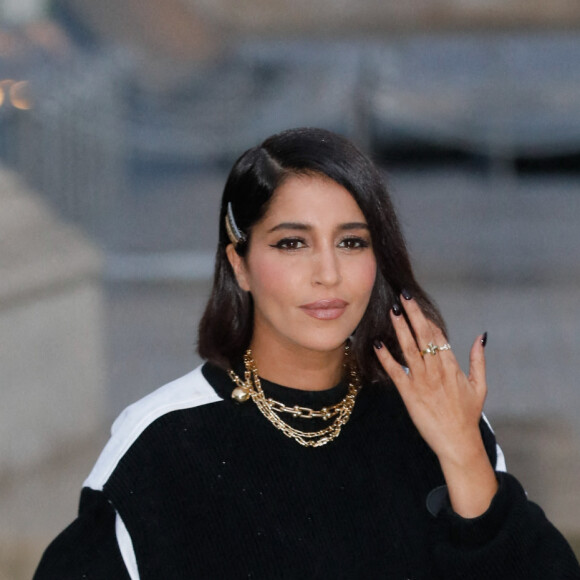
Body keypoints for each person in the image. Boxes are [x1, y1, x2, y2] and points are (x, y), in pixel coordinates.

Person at [34, 127, 580, 579]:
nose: (328, 273)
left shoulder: (442, 422)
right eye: (291, 243)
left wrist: (462, 452)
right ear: (240, 264)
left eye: (352, 241)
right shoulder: (162, 442)